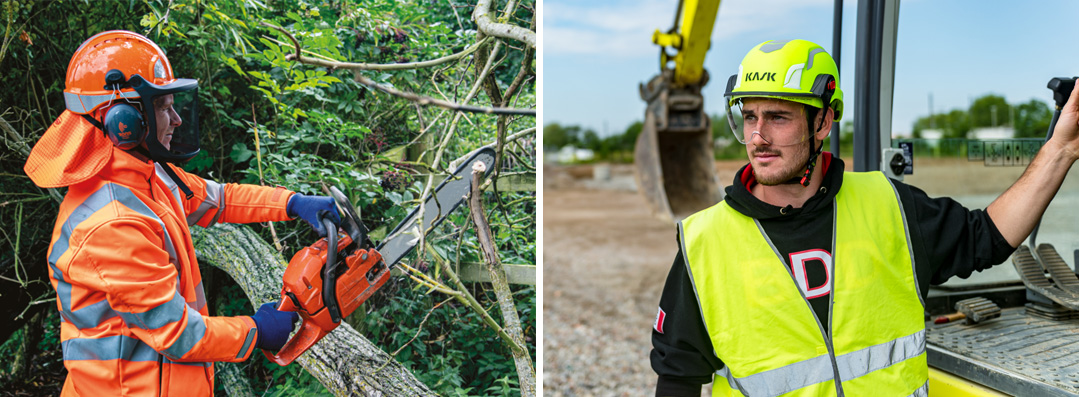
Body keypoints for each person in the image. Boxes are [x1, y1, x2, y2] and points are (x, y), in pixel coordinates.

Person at [650, 39, 1079, 397]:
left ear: (823, 121)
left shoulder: (887, 203)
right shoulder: (704, 240)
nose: (757, 136)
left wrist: (1061, 149)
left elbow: (986, 236)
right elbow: (678, 378)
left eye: (777, 117)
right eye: (749, 116)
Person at [23, 30, 343, 396]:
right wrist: (255, 330)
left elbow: (218, 199)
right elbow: (176, 332)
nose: (175, 119)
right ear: (123, 120)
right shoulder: (112, 224)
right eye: (162, 107)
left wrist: (293, 204)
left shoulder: (147, 176)